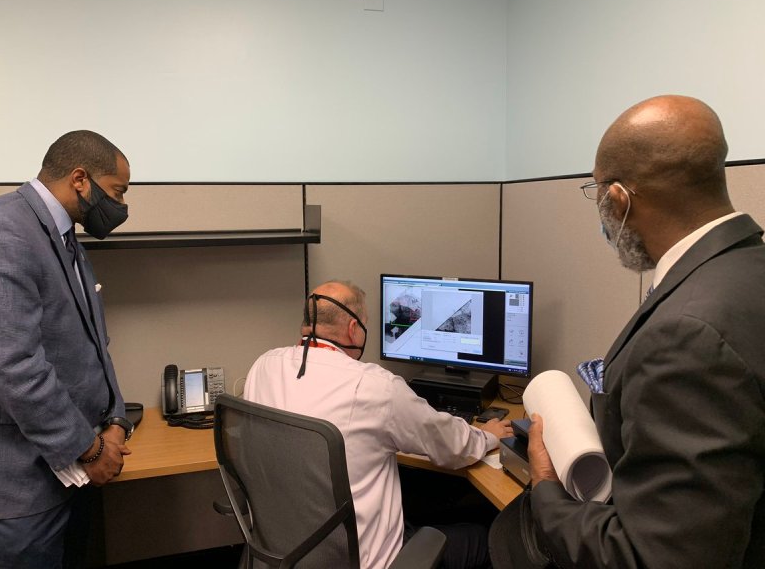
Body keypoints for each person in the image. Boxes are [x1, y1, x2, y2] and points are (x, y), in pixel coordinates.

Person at [490, 95, 765, 568]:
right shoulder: (747, 271)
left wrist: (547, 489)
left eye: (597, 193)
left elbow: (653, 556)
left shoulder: (686, 331)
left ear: (617, 198)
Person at [244, 280, 513, 569]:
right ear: (353, 329)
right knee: (485, 536)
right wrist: (487, 436)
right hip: (362, 559)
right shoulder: (374, 386)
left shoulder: (263, 366)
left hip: (286, 547)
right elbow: (452, 447)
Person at [0, 130, 135, 569]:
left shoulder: (64, 238)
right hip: (18, 489)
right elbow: (10, 365)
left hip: (69, 474)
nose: (119, 206)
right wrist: (91, 450)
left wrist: (115, 418)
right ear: (80, 178)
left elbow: (95, 340)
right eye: (116, 192)